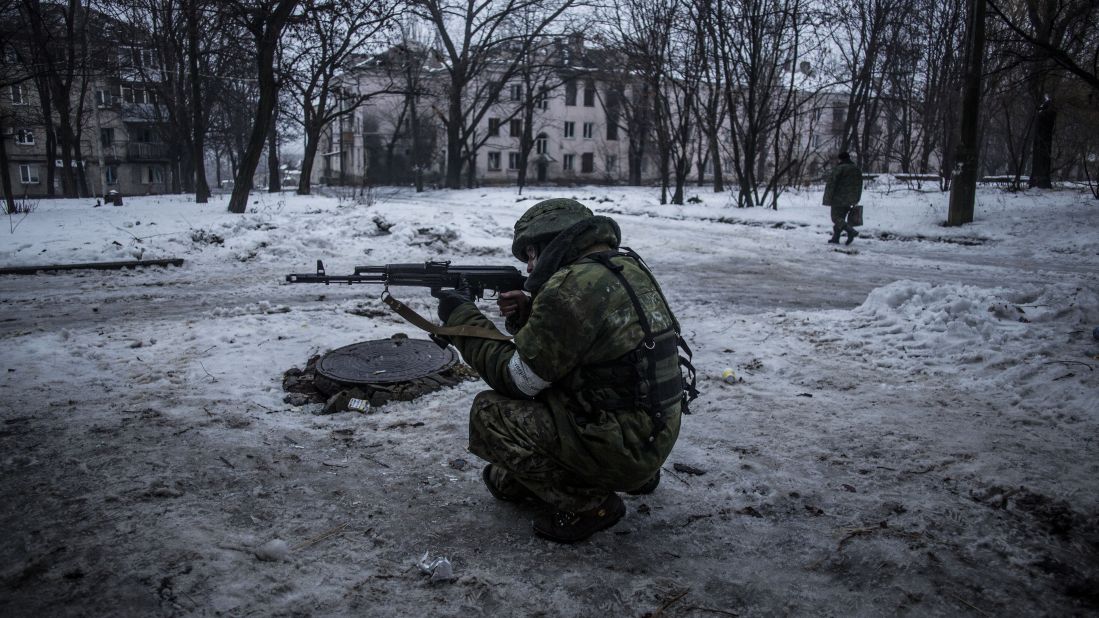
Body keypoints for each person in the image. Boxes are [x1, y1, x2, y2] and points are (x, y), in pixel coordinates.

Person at [431, 198, 694, 543]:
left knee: (490, 412)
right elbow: (590, 344)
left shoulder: (570, 287)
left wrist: (462, 318)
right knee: (506, 478)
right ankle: (631, 474)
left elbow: (518, 379)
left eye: (530, 255)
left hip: (626, 445)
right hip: (654, 433)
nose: (528, 269)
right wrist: (531, 312)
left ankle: (590, 504)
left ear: (549, 244)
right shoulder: (624, 266)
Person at [822, 151, 862, 245]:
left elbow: (831, 184)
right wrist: (856, 198)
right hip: (851, 199)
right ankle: (835, 238)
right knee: (841, 219)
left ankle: (850, 231)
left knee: (836, 218)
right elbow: (859, 185)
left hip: (839, 198)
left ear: (840, 159)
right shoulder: (856, 169)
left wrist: (828, 198)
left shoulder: (840, 169)